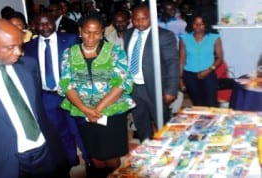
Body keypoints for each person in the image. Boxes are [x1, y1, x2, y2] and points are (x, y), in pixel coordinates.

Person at [0, 19, 71, 178]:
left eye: (20, 45)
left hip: (45, 151)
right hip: (2, 160)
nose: (18, 52)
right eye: (10, 47)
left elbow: (37, 108)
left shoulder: (28, 65)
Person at [59, 12, 135, 178]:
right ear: (80, 30)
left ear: (102, 33)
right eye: (87, 32)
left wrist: (97, 109)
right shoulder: (69, 54)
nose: (92, 37)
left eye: (97, 33)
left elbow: (121, 82)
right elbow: (67, 84)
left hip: (111, 110)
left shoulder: (115, 51)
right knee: (94, 154)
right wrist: (85, 109)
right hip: (82, 111)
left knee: (111, 155)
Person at [23, 12, 85, 168]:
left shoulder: (70, 40)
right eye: (41, 24)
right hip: (47, 96)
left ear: (54, 23)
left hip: (71, 94)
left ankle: (89, 159)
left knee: (78, 128)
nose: (45, 27)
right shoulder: (30, 46)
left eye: (48, 23)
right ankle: (70, 159)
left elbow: (80, 67)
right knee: (59, 131)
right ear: (34, 26)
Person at [123, 3, 179, 142]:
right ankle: (146, 148)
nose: (140, 22)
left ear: (152, 17)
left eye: (144, 18)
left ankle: (167, 149)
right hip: (134, 87)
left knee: (162, 123)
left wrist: (171, 90)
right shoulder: (128, 34)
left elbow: (172, 63)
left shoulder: (164, 35)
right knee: (140, 121)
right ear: (131, 19)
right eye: (136, 19)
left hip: (156, 87)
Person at [179, 14, 224, 107]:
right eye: (195, 23)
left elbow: (220, 58)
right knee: (198, 104)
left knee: (212, 103)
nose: (198, 26)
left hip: (209, 74)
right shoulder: (184, 38)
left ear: (205, 25)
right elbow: (182, 60)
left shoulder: (214, 38)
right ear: (192, 24)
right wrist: (179, 78)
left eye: (201, 24)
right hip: (190, 76)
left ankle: (214, 121)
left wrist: (208, 70)